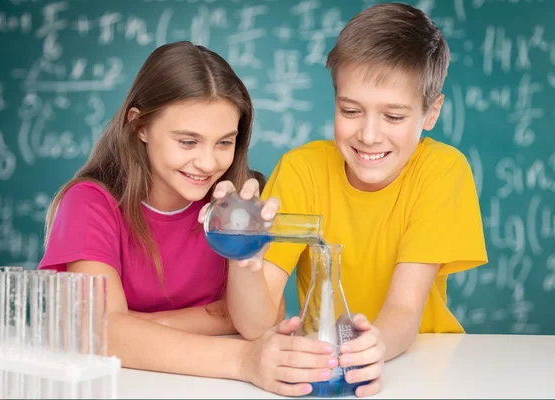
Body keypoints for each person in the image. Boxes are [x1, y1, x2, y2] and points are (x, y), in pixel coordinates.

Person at [203, 3, 488, 397]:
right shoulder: (302, 170)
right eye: (351, 110)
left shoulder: (442, 172)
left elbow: (405, 310)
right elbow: (254, 326)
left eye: (393, 116)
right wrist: (244, 258)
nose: (369, 136)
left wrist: (373, 347)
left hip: (419, 366)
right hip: (326, 362)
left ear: (430, 112)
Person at [38, 41, 337, 397]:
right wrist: (240, 357)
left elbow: (256, 325)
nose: (208, 163)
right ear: (140, 126)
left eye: (224, 143)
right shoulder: (90, 204)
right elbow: (102, 332)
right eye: (188, 142)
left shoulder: (237, 202)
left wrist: (244, 259)